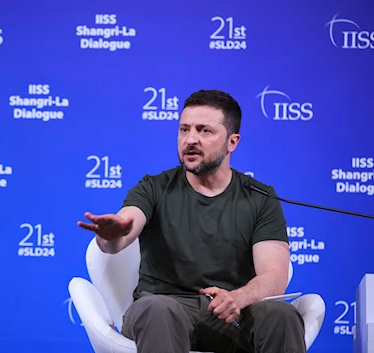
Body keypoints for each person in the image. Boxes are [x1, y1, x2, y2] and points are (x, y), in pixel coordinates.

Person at [77, 89, 305, 353]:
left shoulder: (260, 198)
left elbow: (275, 276)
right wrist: (112, 234)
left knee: (282, 316)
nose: (190, 139)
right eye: (184, 129)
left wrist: (237, 298)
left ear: (232, 142)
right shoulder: (154, 187)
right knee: (159, 310)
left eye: (204, 131)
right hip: (163, 308)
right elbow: (121, 233)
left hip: (231, 310)